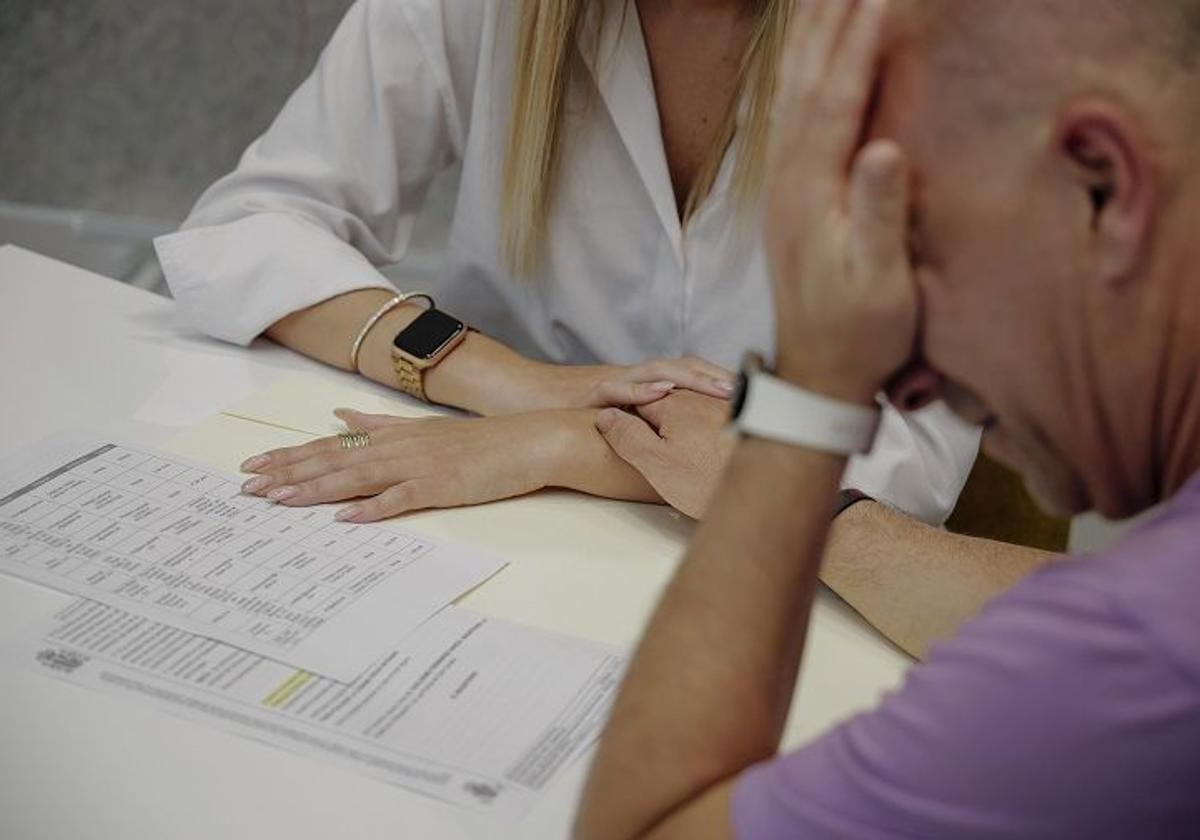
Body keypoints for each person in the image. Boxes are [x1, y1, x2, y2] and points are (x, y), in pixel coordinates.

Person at [155, 0, 1022, 656]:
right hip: (478, 516)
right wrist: (498, 377)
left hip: (784, 579)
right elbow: (246, 230)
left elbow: (904, 452)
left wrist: (570, 440)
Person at [575, 0, 1200, 836]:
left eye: (915, 248)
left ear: (1104, 182)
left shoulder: (1146, 649)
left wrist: (809, 395)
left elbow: (639, 827)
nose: (903, 385)